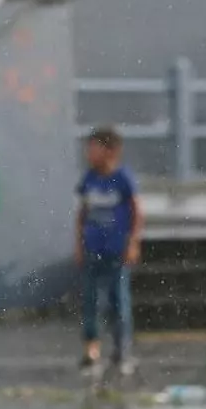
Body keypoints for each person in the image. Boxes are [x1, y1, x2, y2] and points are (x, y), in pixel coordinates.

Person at [74, 126, 144, 376]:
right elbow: (82, 214)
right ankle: (91, 351)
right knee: (91, 302)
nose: (89, 153)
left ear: (111, 151)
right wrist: (79, 244)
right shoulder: (89, 179)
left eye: (94, 148)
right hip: (93, 249)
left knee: (118, 302)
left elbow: (136, 212)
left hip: (116, 251)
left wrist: (133, 242)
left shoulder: (123, 179)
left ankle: (122, 351)